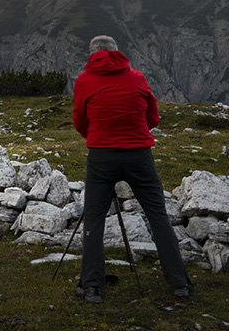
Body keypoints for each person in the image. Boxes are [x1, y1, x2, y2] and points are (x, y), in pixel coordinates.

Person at [72, 35, 191, 303]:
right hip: (139, 156)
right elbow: (153, 116)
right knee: (158, 215)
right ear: (117, 53)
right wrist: (133, 134)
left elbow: (80, 120)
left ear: (92, 55)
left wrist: (99, 137)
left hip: (101, 157)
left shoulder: (83, 81)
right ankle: (180, 283)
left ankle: (92, 286)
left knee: (94, 218)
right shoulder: (137, 78)